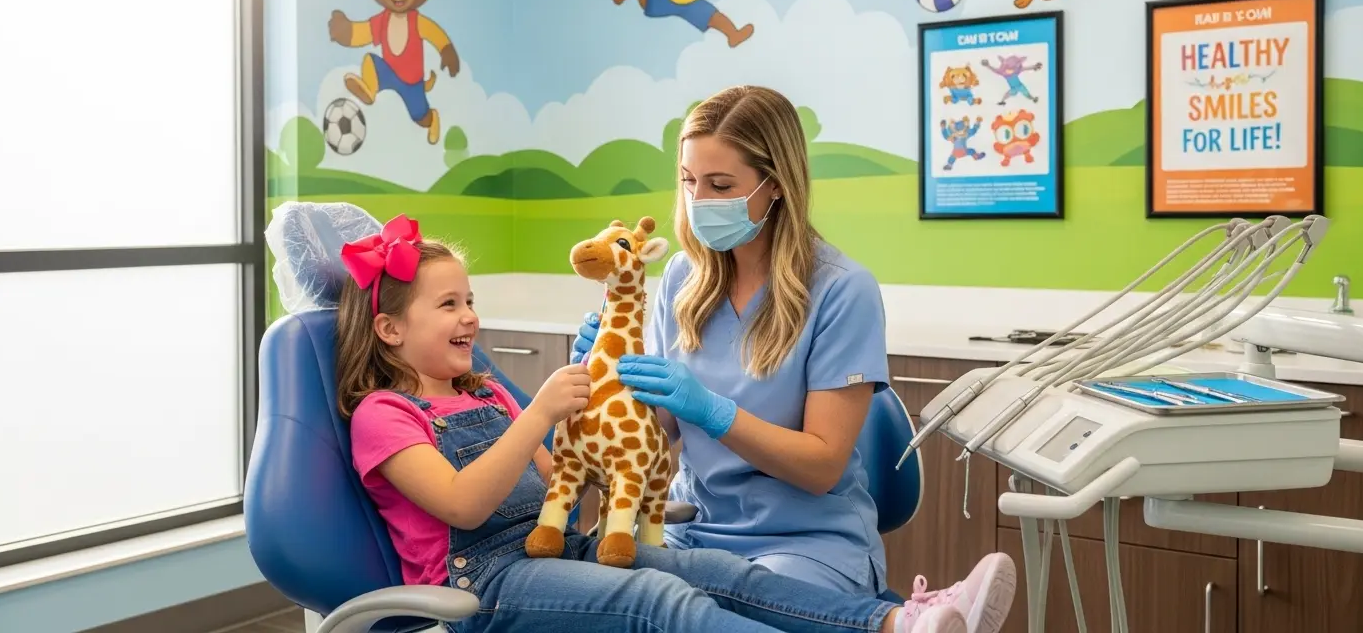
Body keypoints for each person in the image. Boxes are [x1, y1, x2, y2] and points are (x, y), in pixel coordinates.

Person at [335, 213, 1016, 633]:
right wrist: (541, 412)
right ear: (391, 328)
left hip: (550, 552)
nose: (471, 318)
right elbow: (464, 503)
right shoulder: (384, 414)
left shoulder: (486, 392)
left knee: (721, 575)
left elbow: (563, 491)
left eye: (471, 300)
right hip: (478, 585)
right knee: (661, 600)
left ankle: (897, 620)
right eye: (448, 305)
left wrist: (605, 440)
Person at [570, 85, 1016, 612]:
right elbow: (659, 432)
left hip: (804, 542)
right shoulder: (681, 280)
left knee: (727, 617)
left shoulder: (840, 290)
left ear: (774, 185)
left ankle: (893, 619)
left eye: (720, 184)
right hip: (694, 531)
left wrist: (714, 412)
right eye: (689, 182)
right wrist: (607, 383)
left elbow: (822, 466)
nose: (698, 203)